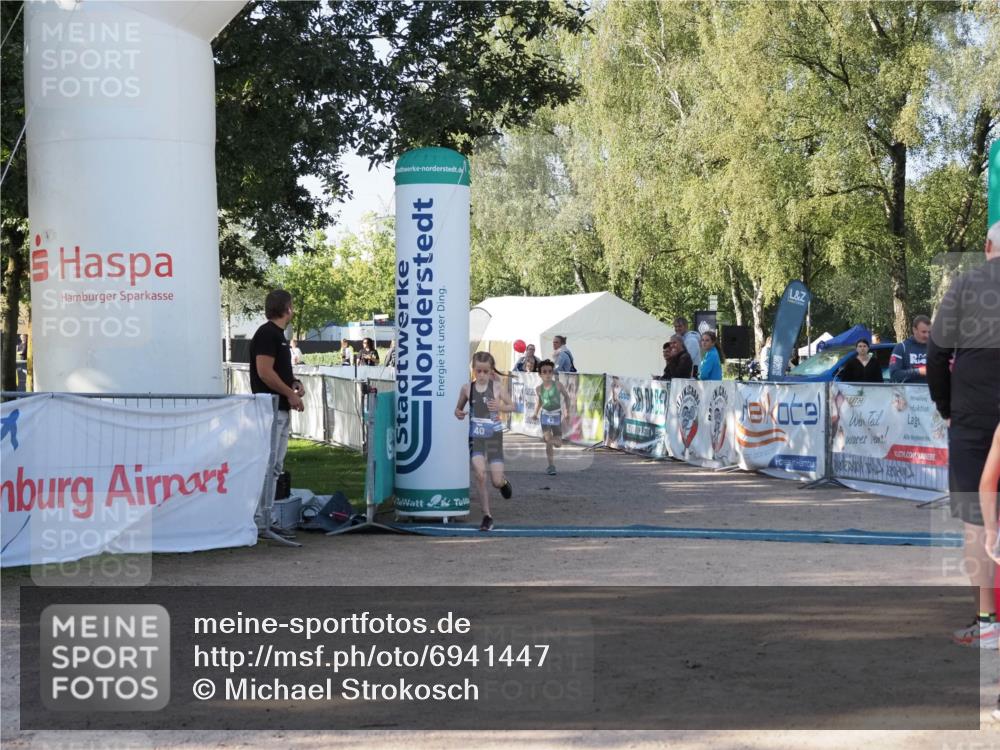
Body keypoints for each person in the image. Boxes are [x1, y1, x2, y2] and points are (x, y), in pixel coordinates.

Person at [929, 220, 1000, 647]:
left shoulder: (965, 285)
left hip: (972, 414)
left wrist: (945, 407)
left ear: (987, 245)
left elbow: (936, 353)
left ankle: (988, 620)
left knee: (976, 522)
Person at [250, 290, 305, 537]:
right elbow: (264, 372)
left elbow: (278, 371)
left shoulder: (278, 336)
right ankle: (260, 519)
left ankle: (266, 517)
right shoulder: (266, 334)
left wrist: (293, 383)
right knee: (268, 463)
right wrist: (289, 393)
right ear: (288, 308)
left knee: (275, 465)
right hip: (270, 409)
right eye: (291, 306)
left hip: (279, 407)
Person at [454, 351, 514, 531]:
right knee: (480, 474)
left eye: (485, 372)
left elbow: (512, 406)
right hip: (476, 438)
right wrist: (458, 413)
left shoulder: (497, 387)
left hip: (494, 437)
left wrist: (500, 406)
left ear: (491, 371)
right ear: (472, 370)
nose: (481, 375)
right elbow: (458, 409)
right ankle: (487, 516)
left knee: (495, 481)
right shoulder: (466, 388)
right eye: (478, 371)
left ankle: (503, 483)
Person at [532, 359, 572, 476]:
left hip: (556, 415)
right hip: (545, 415)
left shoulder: (558, 385)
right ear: (540, 374)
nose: (548, 374)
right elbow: (539, 402)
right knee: (549, 441)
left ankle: (551, 440)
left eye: (550, 371)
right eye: (544, 372)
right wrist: (535, 413)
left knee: (558, 443)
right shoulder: (539, 389)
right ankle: (551, 466)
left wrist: (567, 412)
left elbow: (567, 397)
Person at [889, 315, 930, 383]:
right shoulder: (902, 347)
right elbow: (894, 375)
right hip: (908, 392)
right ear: (914, 330)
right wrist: (918, 371)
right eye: (923, 332)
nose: (927, 335)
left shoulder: (934, 348)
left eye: (929, 332)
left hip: (932, 392)